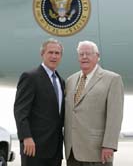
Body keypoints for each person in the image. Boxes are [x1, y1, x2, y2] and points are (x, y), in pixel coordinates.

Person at [64, 40, 124, 166]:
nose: (84, 57)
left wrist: (109, 145)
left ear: (97, 56)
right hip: (72, 151)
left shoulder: (112, 79)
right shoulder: (70, 80)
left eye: (88, 54)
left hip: (97, 152)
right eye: (81, 54)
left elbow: (115, 116)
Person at [14, 38, 65, 166]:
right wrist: (26, 137)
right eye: (50, 52)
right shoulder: (30, 77)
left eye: (57, 53)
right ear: (42, 54)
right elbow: (20, 111)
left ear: (61, 56)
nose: (54, 56)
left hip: (55, 149)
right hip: (34, 147)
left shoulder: (61, 81)